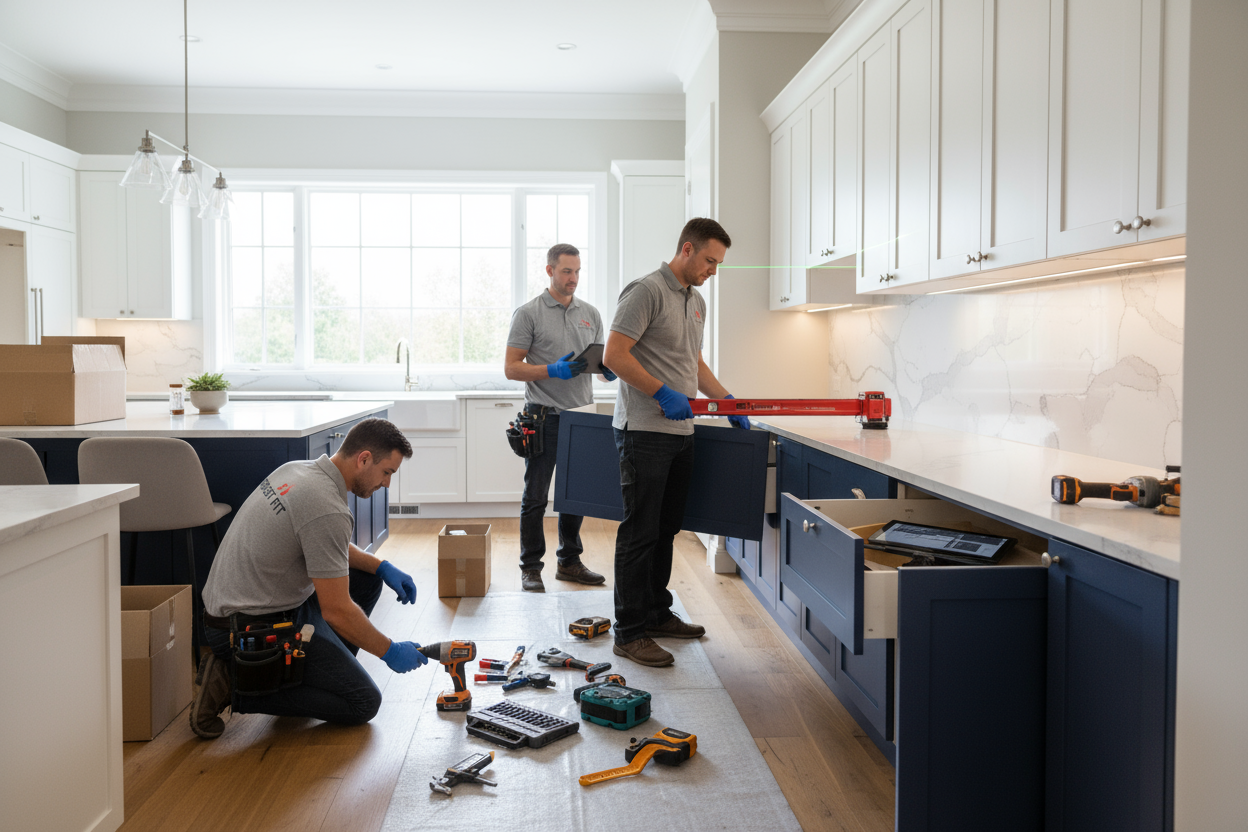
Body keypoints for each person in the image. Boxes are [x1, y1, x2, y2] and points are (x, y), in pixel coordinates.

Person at [191, 417, 427, 739]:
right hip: (245, 628)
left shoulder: (299, 470)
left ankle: (299, 673)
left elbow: (324, 543)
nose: (386, 484)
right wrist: (389, 650)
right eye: (387, 472)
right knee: (362, 702)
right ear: (364, 459)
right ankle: (234, 685)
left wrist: (381, 566)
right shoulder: (326, 506)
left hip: (231, 611)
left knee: (366, 579)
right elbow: (337, 610)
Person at [602, 218, 751, 667]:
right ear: (687, 249)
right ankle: (628, 632)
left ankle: (656, 614)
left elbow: (693, 361)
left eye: (718, 263)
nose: (713, 270)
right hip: (644, 431)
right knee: (639, 532)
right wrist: (660, 392)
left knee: (666, 529)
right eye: (709, 260)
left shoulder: (696, 301)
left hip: (681, 433)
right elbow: (614, 356)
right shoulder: (645, 291)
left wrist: (725, 401)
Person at [504, 243, 614, 592]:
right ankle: (530, 567)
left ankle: (569, 562)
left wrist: (607, 371)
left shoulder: (590, 314)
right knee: (535, 496)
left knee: (575, 494)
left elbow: (597, 368)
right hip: (544, 417)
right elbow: (511, 368)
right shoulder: (529, 313)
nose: (574, 278)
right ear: (550, 270)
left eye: (578, 271)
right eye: (567, 271)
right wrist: (551, 370)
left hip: (582, 417)